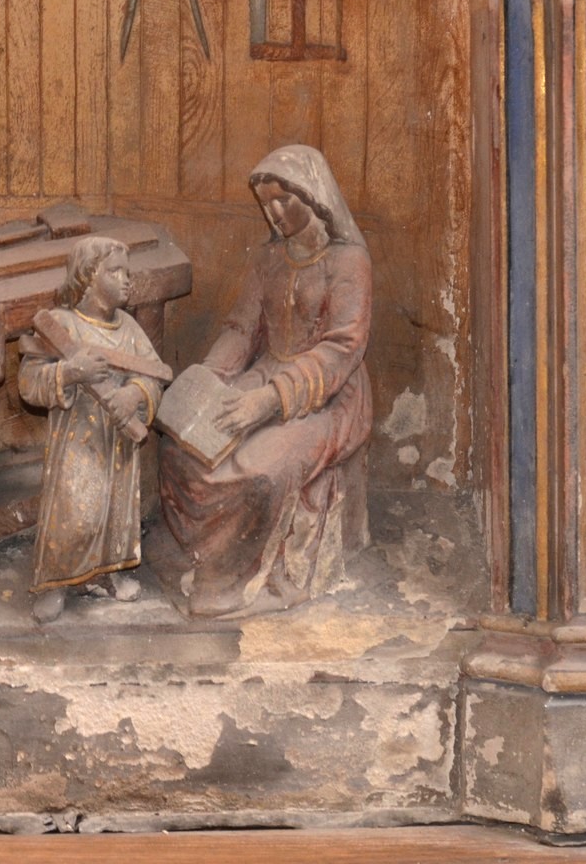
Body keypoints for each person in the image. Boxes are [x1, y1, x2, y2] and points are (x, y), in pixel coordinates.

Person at [159, 145, 372, 618]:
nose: (272, 213)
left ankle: (246, 580)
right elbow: (241, 328)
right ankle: (207, 560)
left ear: (312, 196)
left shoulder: (348, 262)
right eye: (265, 204)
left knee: (258, 468)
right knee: (182, 449)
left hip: (326, 394)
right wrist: (205, 382)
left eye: (282, 201)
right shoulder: (268, 259)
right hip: (265, 372)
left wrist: (269, 400)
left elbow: (341, 350)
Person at [19, 237, 165, 624]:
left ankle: (105, 576)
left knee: (116, 513)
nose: (126, 280)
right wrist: (70, 372)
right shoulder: (61, 325)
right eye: (115, 271)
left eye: (128, 273)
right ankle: (56, 583)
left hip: (118, 441)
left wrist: (134, 395)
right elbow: (28, 382)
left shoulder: (129, 328)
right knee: (74, 512)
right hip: (77, 443)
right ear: (87, 275)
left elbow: (154, 375)